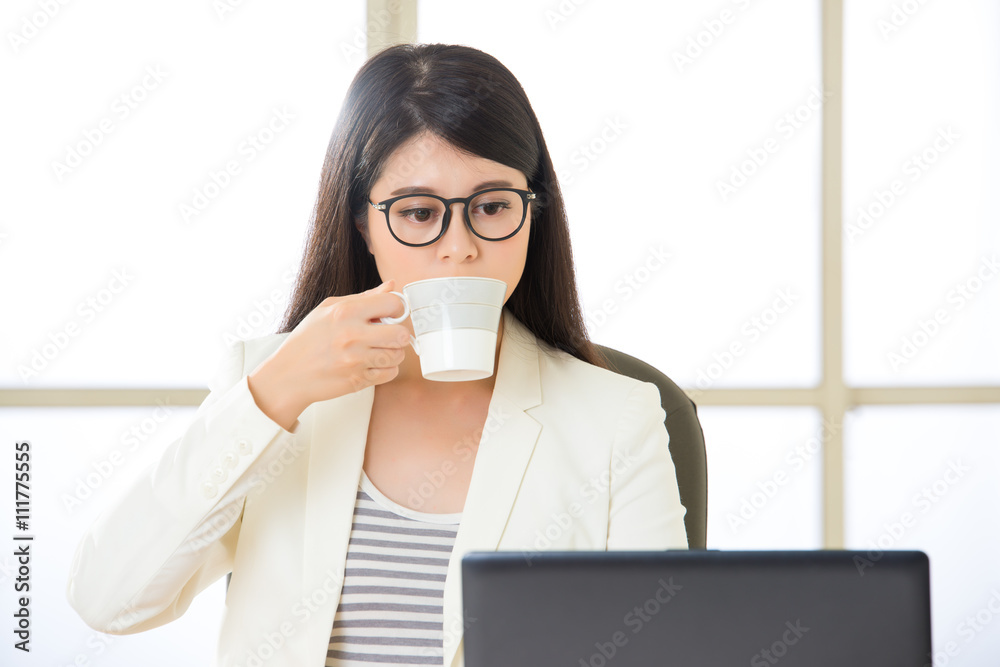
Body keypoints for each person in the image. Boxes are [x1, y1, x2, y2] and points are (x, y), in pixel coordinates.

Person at [66, 42, 687, 667]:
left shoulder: (617, 419)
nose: (460, 248)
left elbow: (666, 652)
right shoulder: (272, 388)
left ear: (533, 214)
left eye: (493, 206)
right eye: (419, 213)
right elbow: (108, 601)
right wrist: (274, 394)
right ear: (363, 224)